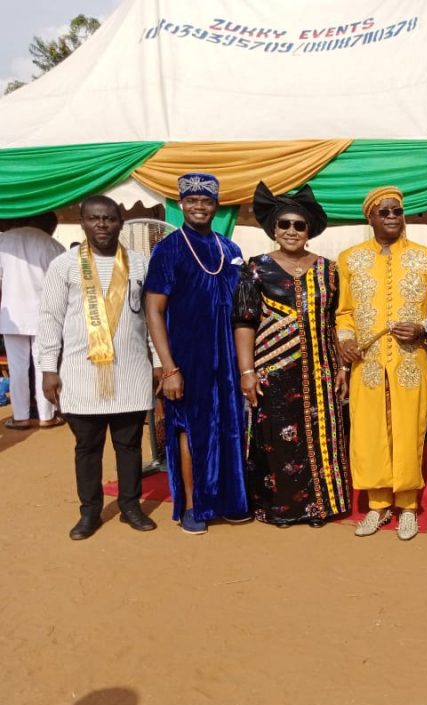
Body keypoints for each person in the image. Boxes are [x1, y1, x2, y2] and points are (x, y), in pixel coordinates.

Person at [36, 196, 160, 540]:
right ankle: (89, 512)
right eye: (94, 219)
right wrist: (48, 368)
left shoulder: (140, 264)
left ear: (120, 222)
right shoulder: (64, 266)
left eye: (108, 218)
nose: (101, 224)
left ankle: (130, 506)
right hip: (81, 372)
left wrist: (159, 361)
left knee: (129, 445)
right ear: (83, 223)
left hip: (131, 371)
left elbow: (153, 318)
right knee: (87, 447)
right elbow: (49, 318)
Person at [233, 182, 351, 527]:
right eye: (284, 224)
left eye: (299, 225)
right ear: (273, 228)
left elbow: (336, 319)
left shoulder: (329, 270)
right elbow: (244, 322)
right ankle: (281, 509)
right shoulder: (255, 268)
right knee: (277, 441)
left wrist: (342, 366)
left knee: (322, 435)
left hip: (322, 369)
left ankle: (319, 507)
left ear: (309, 230)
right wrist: (247, 372)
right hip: (273, 370)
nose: (291, 231)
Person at [144, 173, 249, 534]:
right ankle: (193, 506)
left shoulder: (230, 250)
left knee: (230, 427)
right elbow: (153, 310)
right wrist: (169, 368)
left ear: (216, 206)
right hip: (187, 356)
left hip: (228, 357)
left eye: (206, 201)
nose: (199, 206)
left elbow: (243, 310)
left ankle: (229, 501)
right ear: (181, 204)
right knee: (190, 429)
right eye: (192, 200)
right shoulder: (168, 249)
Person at [336, 187, 427, 540]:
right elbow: (344, 312)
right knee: (368, 431)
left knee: (410, 429)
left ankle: (408, 506)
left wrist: (423, 329)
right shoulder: (349, 259)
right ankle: (378, 505)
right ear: (371, 217)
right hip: (367, 362)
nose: (392, 216)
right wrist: (345, 341)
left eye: (397, 210)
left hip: (412, 361)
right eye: (384, 212)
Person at [0, 211, 65, 430]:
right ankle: (47, 416)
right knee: (44, 366)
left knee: (17, 368)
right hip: (43, 314)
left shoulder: (4, 240)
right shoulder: (52, 244)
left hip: (13, 317)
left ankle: (21, 417)